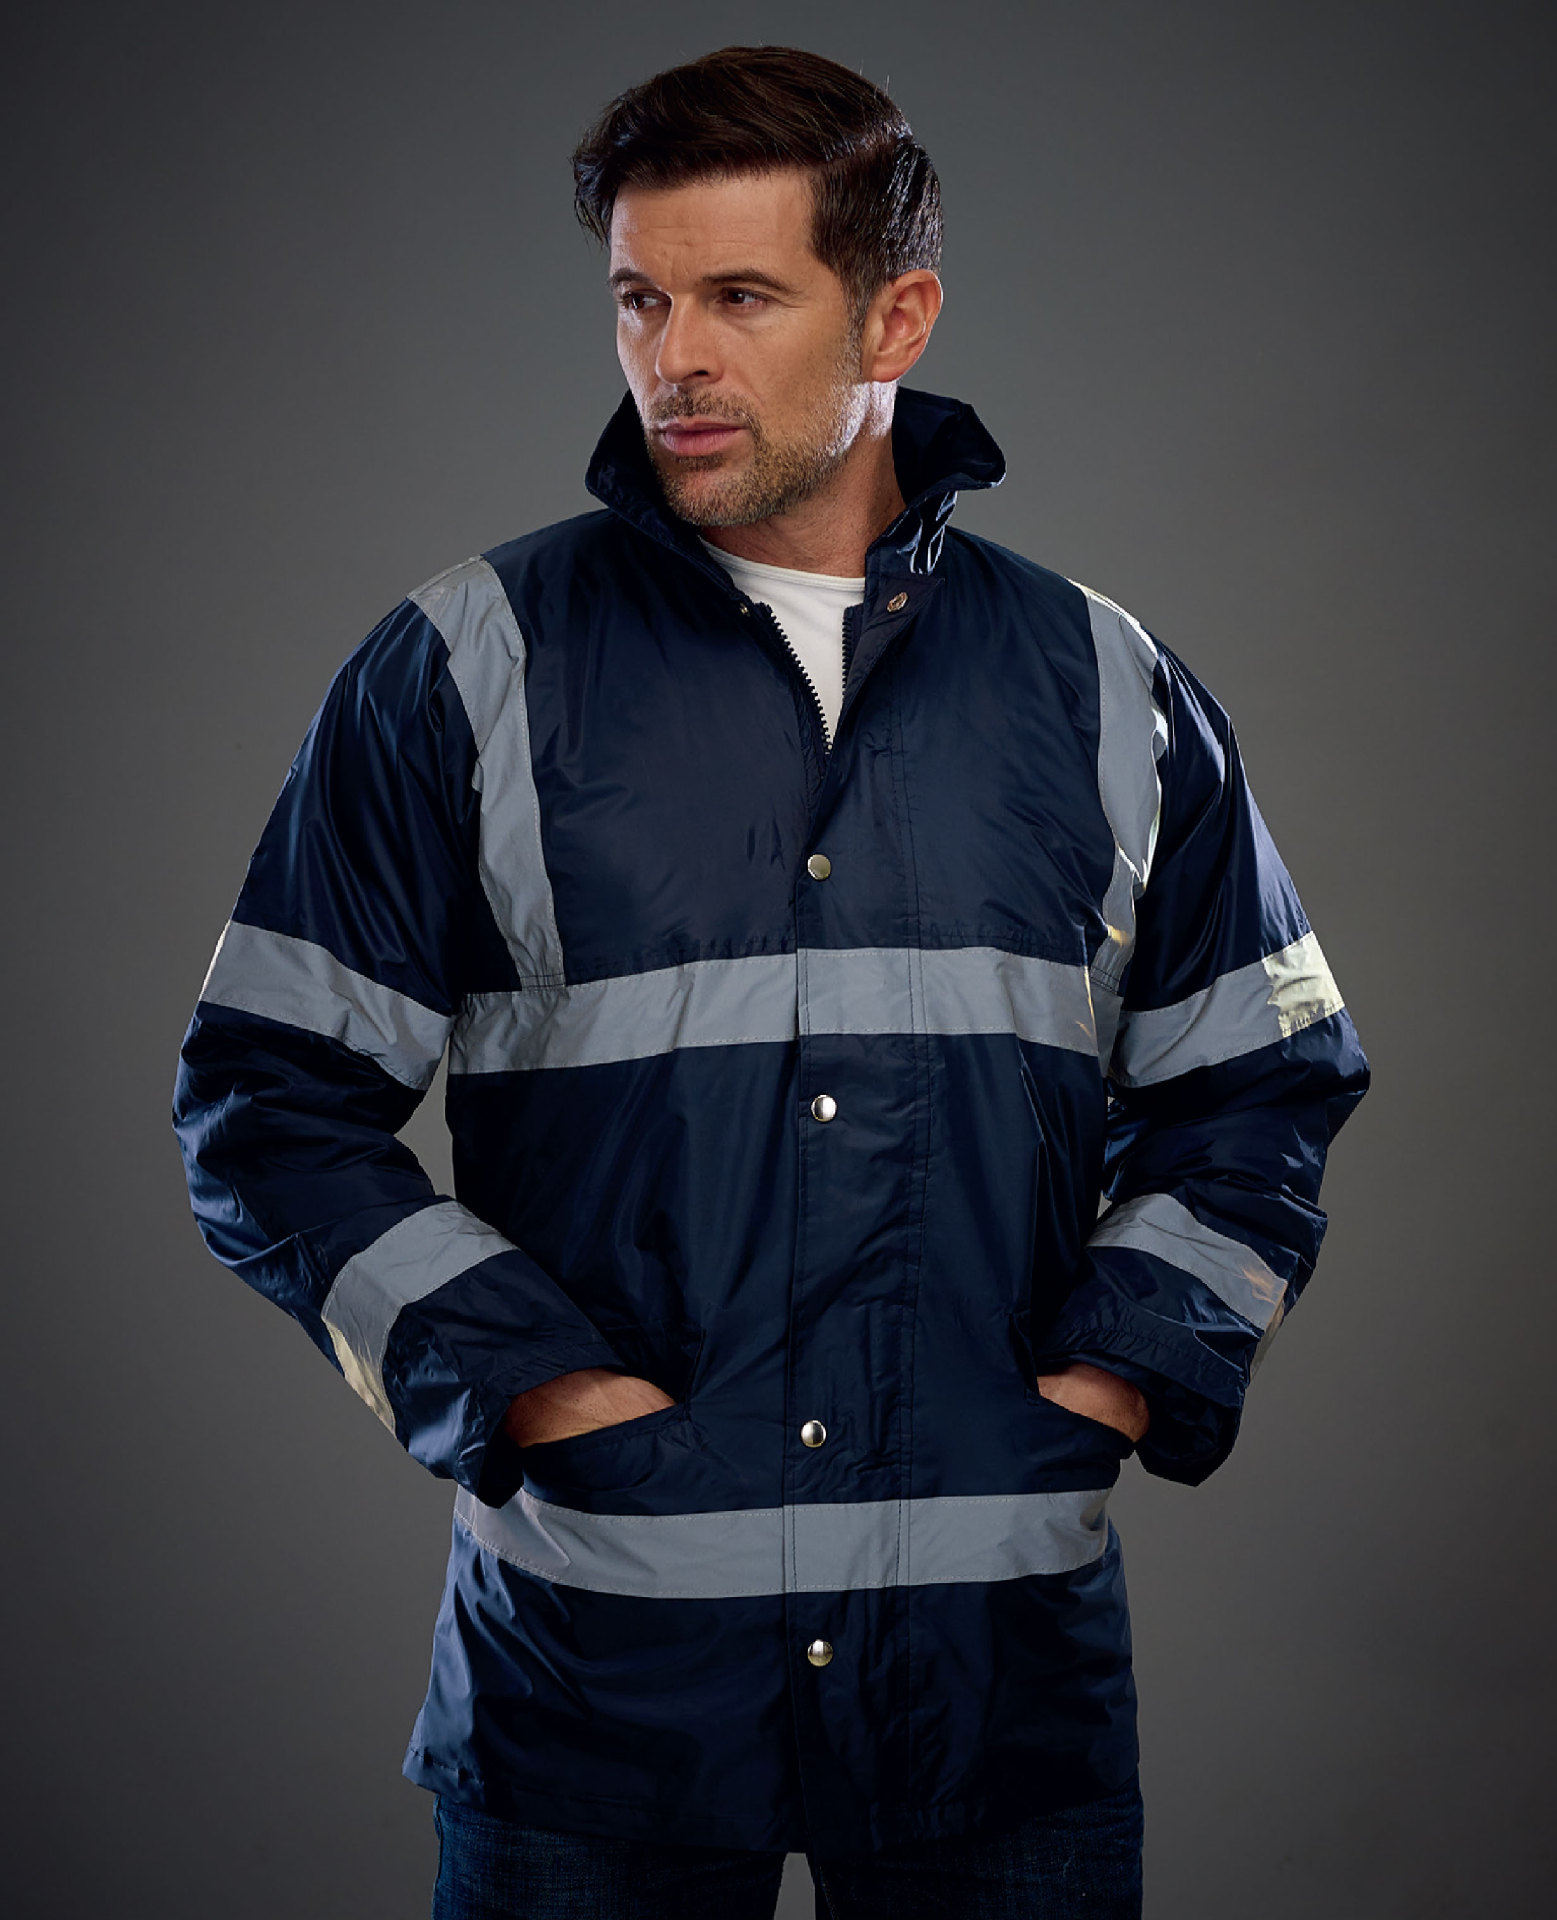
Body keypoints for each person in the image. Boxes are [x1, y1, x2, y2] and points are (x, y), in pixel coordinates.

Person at [173, 45, 1369, 1920]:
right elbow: (268, 1102)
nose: (674, 359)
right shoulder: (464, 667)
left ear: (896, 316)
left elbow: (1262, 1088)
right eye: (640, 300)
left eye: (738, 297)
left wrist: (1124, 1371)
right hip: (598, 1696)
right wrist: (525, 1385)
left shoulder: (1104, 685)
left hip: (993, 1693)